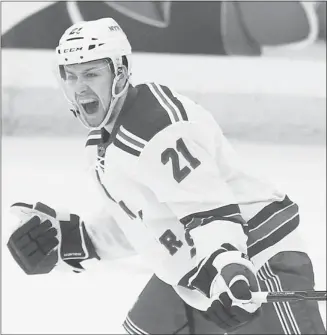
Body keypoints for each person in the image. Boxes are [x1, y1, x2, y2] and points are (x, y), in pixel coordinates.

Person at [7, 17, 325, 334]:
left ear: (120, 74)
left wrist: (229, 266)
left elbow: (209, 211)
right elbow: (147, 220)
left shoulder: (161, 130)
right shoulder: (103, 143)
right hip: (195, 276)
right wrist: (76, 240)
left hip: (255, 259)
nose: (81, 87)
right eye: (71, 76)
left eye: (92, 73)